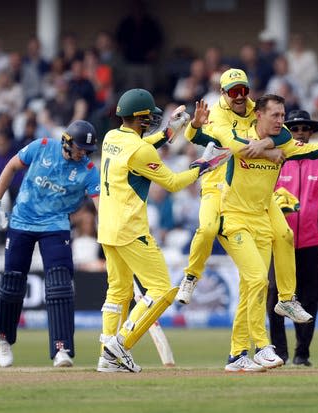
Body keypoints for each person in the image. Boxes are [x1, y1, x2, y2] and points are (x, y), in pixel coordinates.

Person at [187, 94, 318, 372]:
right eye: (276, 115)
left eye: (283, 116)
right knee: (258, 280)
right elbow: (202, 139)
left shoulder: (285, 140)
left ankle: (236, 355)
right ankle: (262, 346)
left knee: (250, 288)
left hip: (261, 221)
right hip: (232, 219)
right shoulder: (234, 133)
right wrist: (267, 150)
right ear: (258, 114)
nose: (281, 121)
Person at [96, 88, 229, 373]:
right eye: (148, 117)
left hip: (107, 227)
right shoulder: (140, 149)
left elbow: (145, 148)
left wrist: (172, 131)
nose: (152, 121)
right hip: (131, 229)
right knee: (161, 290)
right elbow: (173, 182)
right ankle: (118, 346)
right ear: (139, 118)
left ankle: (105, 355)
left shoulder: (111, 137)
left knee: (117, 293)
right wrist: (206, 164)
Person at [175, 68, 313, 325]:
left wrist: (264, 144)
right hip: (217, 183)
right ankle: (191, 277)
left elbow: (282, 133)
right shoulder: (216, 113)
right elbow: (225, 145)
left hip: (253, 189)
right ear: (222, 93)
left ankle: (287, 300)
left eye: (244, 90)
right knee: (206, 230)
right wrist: (195, 124)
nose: (240, 97)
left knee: (284, 235)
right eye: (233, 92)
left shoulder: (254, 108)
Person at [0, 120, 101, 368]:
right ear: (67, 142)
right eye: (80, 148)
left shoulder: (89, 169)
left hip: (55, 226)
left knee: (60, 285)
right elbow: (12, 166)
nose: (83, 154)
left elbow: (99, 203)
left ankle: (61, 349)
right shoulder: (42, 146)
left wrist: (108, 228)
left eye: (87, 150)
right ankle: (4, 340)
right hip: (22, 220)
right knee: (12, 283)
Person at [268, 109, 318, 366]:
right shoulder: (278, 159)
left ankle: (302, 353)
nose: (300, 133)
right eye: (295, 129)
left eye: (304, 129)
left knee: (309, 299)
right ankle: (279, 352)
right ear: (289, 131)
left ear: (311, 132)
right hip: (279, 241)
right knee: (275, 297)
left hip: (312, 243)